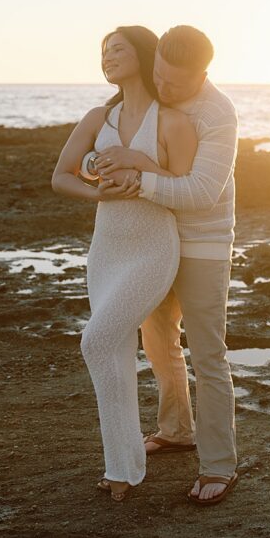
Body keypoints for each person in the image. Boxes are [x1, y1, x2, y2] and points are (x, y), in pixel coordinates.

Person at [94, 25, 240, 505]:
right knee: (158, 342)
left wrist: (137, 175)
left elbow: (201, 193)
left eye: (174, 82)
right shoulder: (157, 90)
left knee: (208, 354)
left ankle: (219, 464)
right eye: (158, 75)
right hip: (156, 241)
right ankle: (177, 430)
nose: (164, 87)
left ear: (202, 73)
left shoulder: (218, 114)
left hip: (202, 243)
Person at [51, 25, 197, 501]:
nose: (108, 56)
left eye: (118, 48)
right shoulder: (98, 117)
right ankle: (125, 467)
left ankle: (122, 466)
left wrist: (139, 163)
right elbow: (60, 177)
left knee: (95, 341)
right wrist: (98, 192)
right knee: (112, 350)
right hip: (106, 250)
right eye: (104, 51)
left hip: (153, 248)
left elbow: (184, 189)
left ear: (143, 54)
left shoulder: (173, 121)